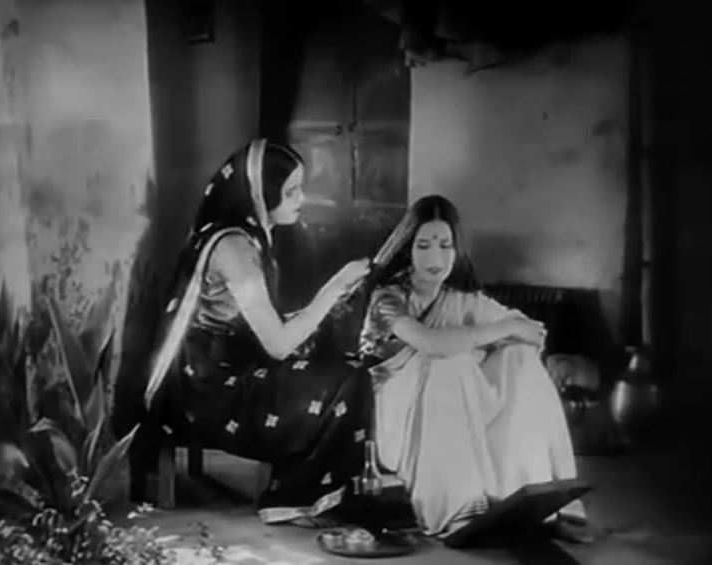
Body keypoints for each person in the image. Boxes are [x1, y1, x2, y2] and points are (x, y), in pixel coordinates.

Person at [142, 139, 372, 525]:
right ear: (260, 195)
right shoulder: (235, 248)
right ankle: (293, 498)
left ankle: (309, 492)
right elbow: (277, 344)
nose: (301, 199)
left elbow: (255, 323)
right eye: (290, 191)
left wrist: (322, 309)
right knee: (345, 380)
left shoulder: (245, 235)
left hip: (222, 366)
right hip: (208, 388)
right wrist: (334, 288)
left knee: (342, 365)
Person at [359, 194, 592, 541]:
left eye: (445, 245)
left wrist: (491, 345)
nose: (435, 258)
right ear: (408, 249)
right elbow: (430, 343)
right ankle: (457, 506)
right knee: (449, 363)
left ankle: (532, 497)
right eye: (423, 246)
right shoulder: (388, 298)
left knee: (518, 358)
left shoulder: (459, 299)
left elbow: (532, 334)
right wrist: (491, 337)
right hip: (394, 414)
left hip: (455, 400)